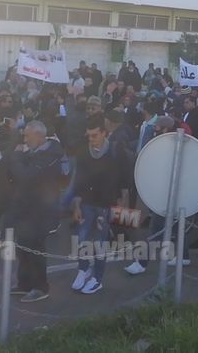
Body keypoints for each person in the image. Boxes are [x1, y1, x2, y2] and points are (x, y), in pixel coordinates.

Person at [6, 121, 67, 303]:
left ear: (39, 136)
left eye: (27, 136)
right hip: (26, 209)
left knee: (36, 249)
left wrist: (17, 157)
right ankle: (24, 283)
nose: (24, 140)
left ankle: (40, 287)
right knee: (22, 247)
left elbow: (26, 177)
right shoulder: (33, 152)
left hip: (41, 211)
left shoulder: (49, 156)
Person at [70, 117, 125, 294]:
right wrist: (76, 204)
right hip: (86, 202)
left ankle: (97, 278)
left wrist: (120, 203)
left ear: (104, 133)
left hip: (106, 204)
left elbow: (124, 177)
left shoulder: (115, 151)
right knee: (82, 238)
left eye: (94, 135)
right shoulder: (83, 152)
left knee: (101, 242)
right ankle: (83, 269)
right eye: (89, 135)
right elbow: (78, 180)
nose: (91, 139)